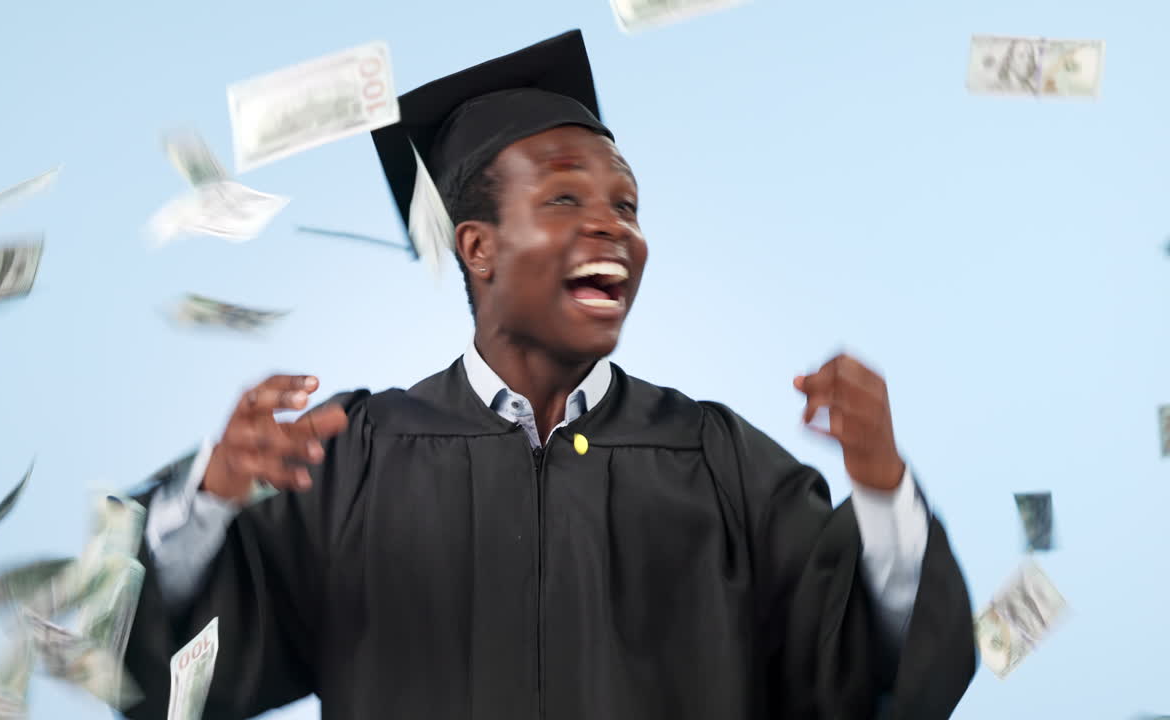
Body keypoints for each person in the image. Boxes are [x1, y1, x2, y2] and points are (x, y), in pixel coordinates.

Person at [123, 30, 976, 720]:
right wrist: (203, 502)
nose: (613, 227)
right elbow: (165, 675)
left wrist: (881, 491)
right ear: (478, 247)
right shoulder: (351, 457)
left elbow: (869, 678)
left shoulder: (721, 462)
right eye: (566, 198)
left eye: (628, 205)